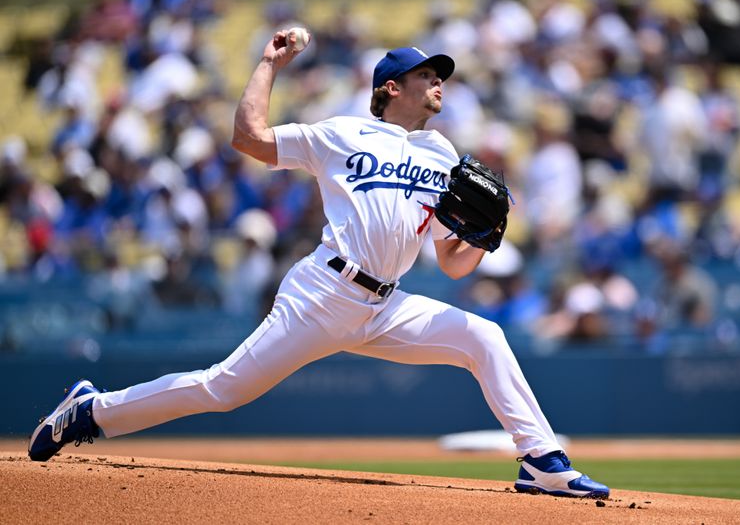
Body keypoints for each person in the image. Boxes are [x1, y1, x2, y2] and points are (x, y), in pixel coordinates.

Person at [27, 29, 609, 499]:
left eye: (440, 76)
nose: (438, 83)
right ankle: (91, 410)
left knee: (483, 336)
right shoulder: (343, 132)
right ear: (389, 88)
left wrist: (485, 235)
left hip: (385, 304)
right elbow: (248, 138)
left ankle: (542, 464)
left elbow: (453, 266)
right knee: (222, 389)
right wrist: (268, 65)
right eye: (426, 74)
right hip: (323, 293)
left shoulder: (442, 153)